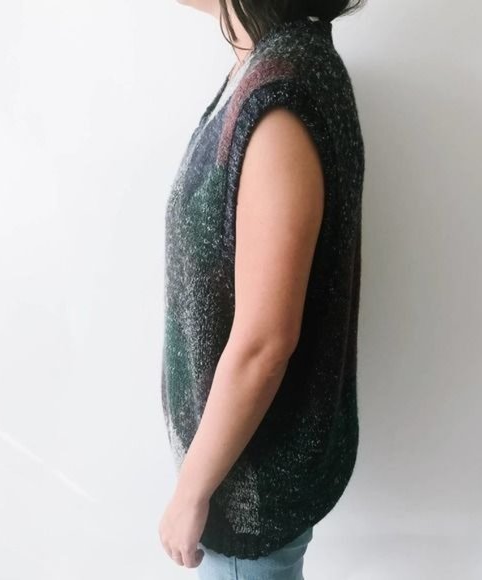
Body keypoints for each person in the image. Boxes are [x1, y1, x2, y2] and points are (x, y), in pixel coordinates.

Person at [159, 1, 366, 578]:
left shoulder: (280, 99)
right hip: (239, 468)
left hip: (246, 489)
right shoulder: (264, 64)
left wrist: (191, 494)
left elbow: (264, 342)